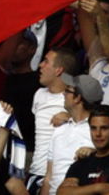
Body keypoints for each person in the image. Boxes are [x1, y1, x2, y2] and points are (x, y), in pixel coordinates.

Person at [57, 105, 109, 194]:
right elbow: (62, 193)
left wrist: (79, 192)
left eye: (104, 128)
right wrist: (100, 187)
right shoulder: (80, 163)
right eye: (93, 128)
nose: (97, 134)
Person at [25, 48, 76, 194]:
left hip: (62, 174)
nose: (40, 65)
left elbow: (94, 122)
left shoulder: (76, 99)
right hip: (37, 171)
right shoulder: (39, 94)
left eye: (46, 61)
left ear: (59, 70)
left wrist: (71, 116)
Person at [43, 74, 102, 195]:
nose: (63, 94)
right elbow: (48, 177)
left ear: (77, 98)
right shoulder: (59, 130)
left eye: (67, 91)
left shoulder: (99, 131)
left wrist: (94, 153)